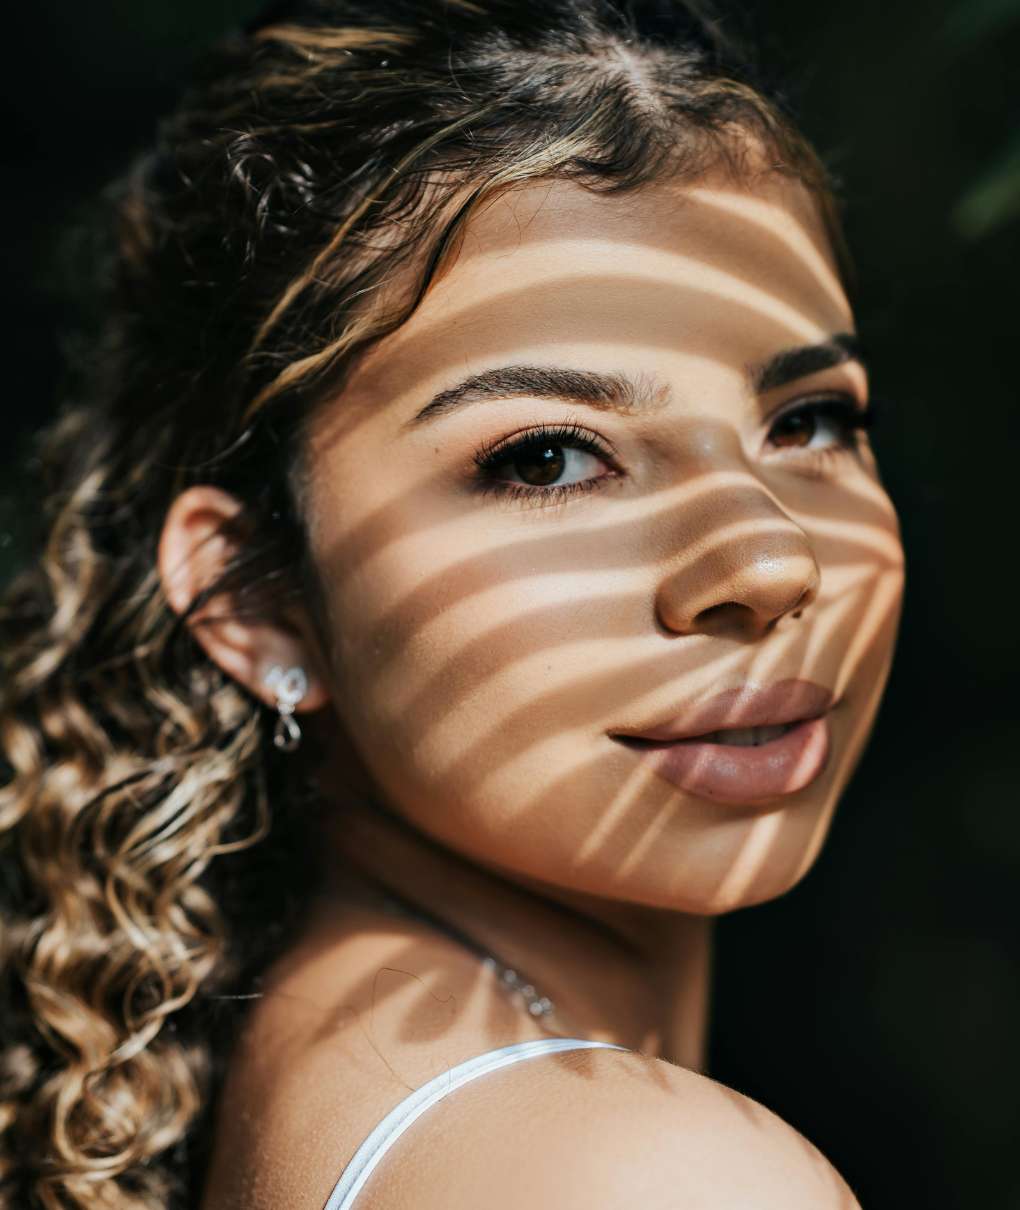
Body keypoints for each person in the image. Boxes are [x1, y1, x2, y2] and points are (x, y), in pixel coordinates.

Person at [0, 0, 905, 1205]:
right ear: (256, 597)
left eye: (809, 421)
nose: (771, 561)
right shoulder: (640, 1173)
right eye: (546, 456)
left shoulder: (317, 1078)